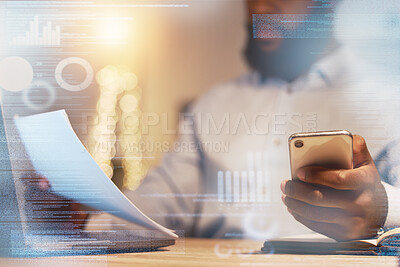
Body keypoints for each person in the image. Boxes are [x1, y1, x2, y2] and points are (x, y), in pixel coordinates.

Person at [36, 0, 400, 241]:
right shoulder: (215, 103)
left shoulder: (388, 97)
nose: (260, 7)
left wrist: (382, 207)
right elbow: (162, 203)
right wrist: (84, 217)